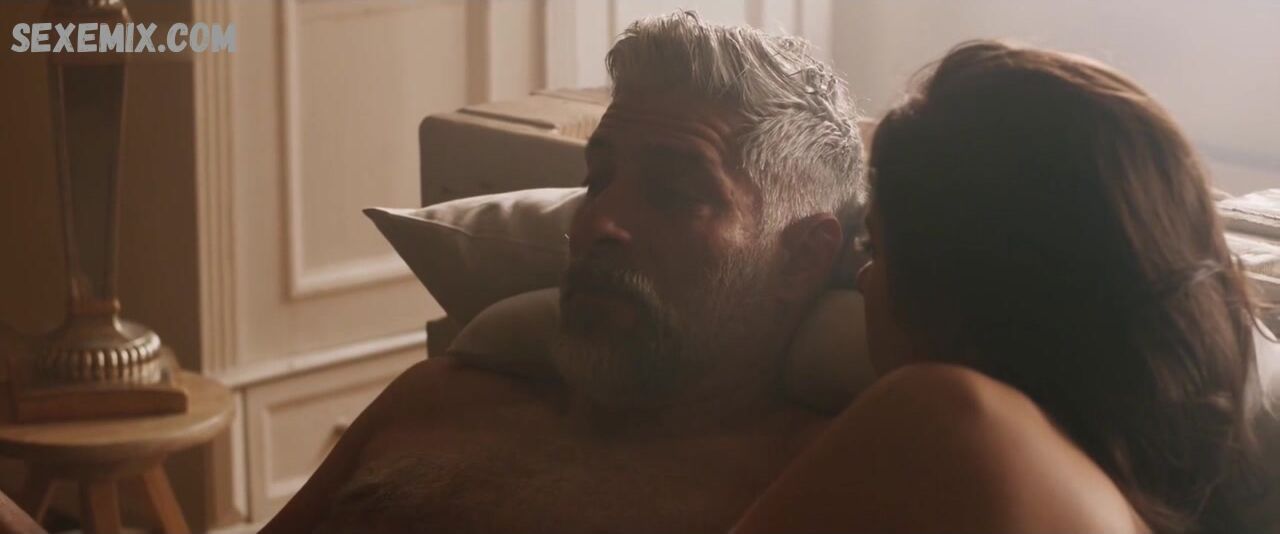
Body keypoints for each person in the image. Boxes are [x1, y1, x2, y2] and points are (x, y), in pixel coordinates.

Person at [260, 12, 864, 534]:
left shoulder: (821, 487)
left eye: (675, 193)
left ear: (802, 259)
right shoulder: (436, 400)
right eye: (597, 182)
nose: (597, 222)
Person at [731, 40, 1266, 534]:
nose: (861, 280)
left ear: (954, 287)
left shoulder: (952, 417)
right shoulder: (1118, 499)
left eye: (875, 248)